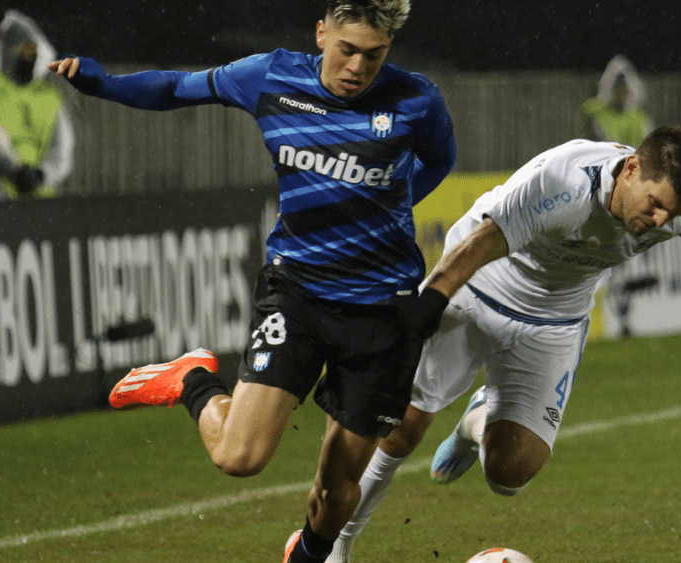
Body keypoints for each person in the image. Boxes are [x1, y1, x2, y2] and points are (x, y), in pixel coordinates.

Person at [49, 2, 456, 562]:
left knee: (337, 491)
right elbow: (176, 88)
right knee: (238, 458)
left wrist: (389, 200)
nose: (357, 68)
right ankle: (191, 377)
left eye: (374, 55)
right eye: (347, 50)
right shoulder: (270, 76)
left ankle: (307, 554)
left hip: (381, 311)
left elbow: (439, 158)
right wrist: (103, 85)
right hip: (298, 294)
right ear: (321, 34)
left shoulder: (416, 99)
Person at [328, 126, 681, 562]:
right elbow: (481, 242)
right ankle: (334, 543)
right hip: (479, 286)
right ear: (631, 169)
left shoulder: (666, 212)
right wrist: (432, 301)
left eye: (668, 211)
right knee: (402, 428)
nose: (658, 220)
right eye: (655, 205)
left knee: (510, 476)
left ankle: (477, 422)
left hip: (555, 322)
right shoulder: (564, 184)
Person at [0, 10, 74, 201]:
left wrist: (41, 175)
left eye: (31, 51)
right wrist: (11, 169)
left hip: (41, 200)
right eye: (20, 49)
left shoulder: (50, 98)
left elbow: (62, 149)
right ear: (5, 50)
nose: (26, 56)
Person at [578, 55, 653, 148]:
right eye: (617, 90)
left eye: (624, 90)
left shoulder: (639, 119)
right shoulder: (598, 114)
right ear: (610, 91)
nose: (621, 94)